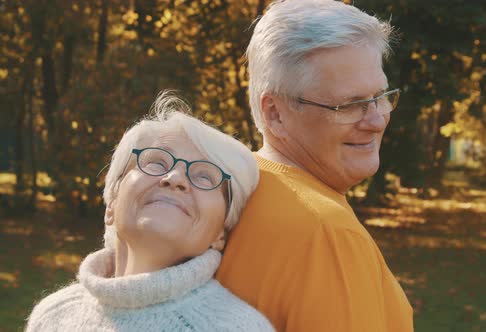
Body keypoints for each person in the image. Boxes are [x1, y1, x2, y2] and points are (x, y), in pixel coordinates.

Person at [215, 1, 414, 331]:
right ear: (275, 113)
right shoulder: (328, 232)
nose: (377, 120)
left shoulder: (220, 194)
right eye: (350, 105)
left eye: (380, 96)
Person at [26, 93, 274, 331]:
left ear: (220, 233)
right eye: (157, 162)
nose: (175, 177)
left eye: (204, 176)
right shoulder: (52, 316)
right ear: (112, 203)